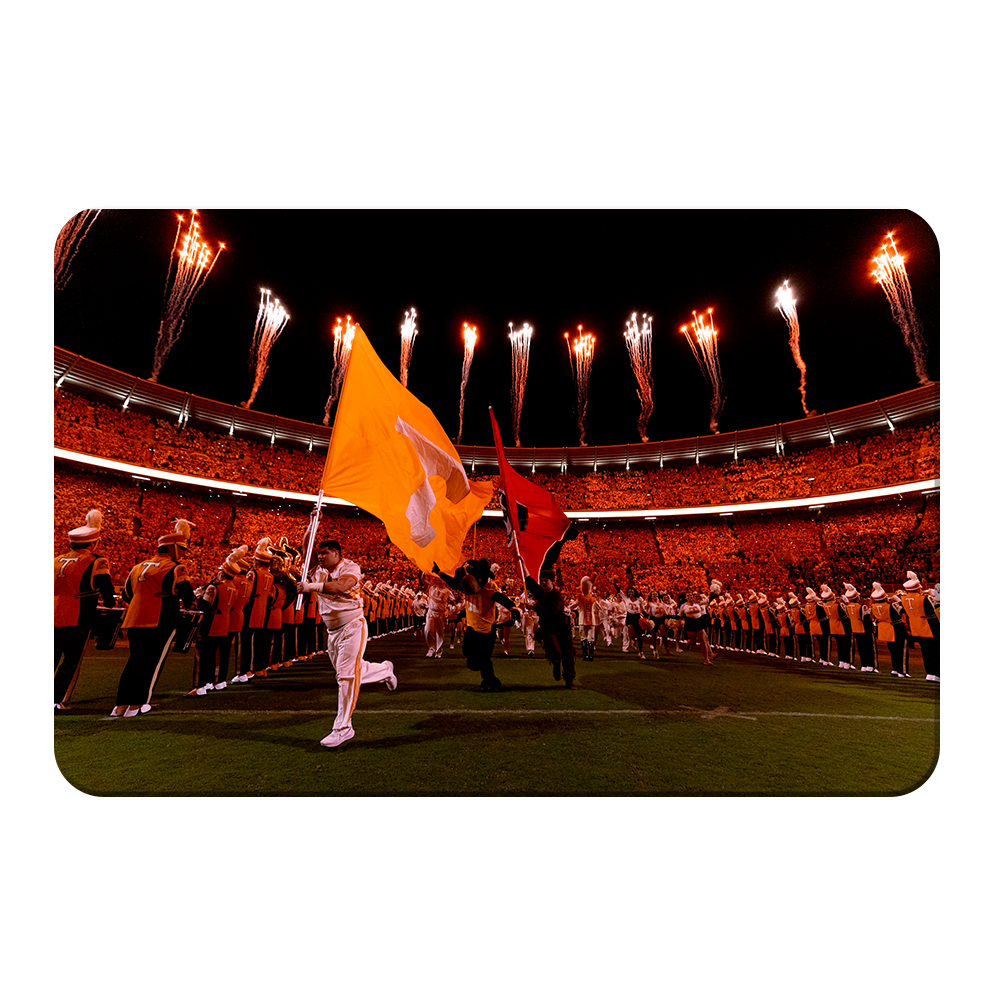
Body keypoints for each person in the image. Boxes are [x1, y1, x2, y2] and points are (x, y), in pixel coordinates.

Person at [297, 538, 397, 748]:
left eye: (325, 553)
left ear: (337, 553)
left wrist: (310, 586)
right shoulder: (317, 568)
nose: (320, 556)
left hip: (352, 625)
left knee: (345, 676)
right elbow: (307, 548)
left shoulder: (350, 567)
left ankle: (343, 728)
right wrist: (310, 527)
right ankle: (384, 670)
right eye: (319, 553)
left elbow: (340, 586)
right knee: (352, 671)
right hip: (332, 631)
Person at [112, 519, 197, 717]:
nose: (183, 553)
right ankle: (137, 704)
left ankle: (120, 705)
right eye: (182, 549)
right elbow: (187, 596)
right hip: (161, 620)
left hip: (134, 619)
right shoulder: (176, 567)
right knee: (151, 663)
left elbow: (127, 594)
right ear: (173, 547)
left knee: (134, 661)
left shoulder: (138, 566)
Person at [54, 508, 115, 710]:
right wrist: (109, 603)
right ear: (93, 543)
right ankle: (56, 699)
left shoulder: (56, 560)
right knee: (70, 661)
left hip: (53, 614)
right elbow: (106, 587)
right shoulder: (96, 561)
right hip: (78, 617)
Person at [435, 558, 520, 691]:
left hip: (487, 630)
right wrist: (439, 572)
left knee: (484, 658)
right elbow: (454, 583)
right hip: (472, 627)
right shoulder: (468, 587)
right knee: (468, 653)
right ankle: (487, 675)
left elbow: (500, 598)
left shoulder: (488, 588)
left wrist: (513, 608)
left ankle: (491, 681)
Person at [524, 568, 577, 687]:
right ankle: (556, 662)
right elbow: (529, 581)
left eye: (546, 580)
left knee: (568, 654)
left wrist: (533, 607)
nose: (543, 583)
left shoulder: (557, 595)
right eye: (542, 580)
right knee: (554, 650)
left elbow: (553, 609)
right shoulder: (540, 592)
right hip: (548, 628)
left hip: (562, 627)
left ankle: (569, 679)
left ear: (552, 582)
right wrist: (522, 563)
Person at [899, 570, 939, 682]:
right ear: (917, 588)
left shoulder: (903, 599)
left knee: (925, 652)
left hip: (916, 628)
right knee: (936, 651)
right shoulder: (924, 598)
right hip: (929, 628)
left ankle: (929, 673)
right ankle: (937, 674)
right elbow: (933, 614)